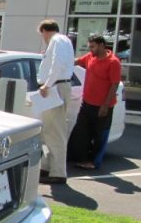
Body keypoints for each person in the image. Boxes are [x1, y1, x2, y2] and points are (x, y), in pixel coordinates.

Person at [67, 35, 121, 170]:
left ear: (102, 45)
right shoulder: (90, 57)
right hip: (87, 103)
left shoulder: (113, 62)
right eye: (90, 47)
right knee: (81, 132)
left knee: (99, 135)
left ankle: (94, 162)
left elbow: (114, 85)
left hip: (103, 106)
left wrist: (105, 105)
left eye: (93, 46)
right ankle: (82, 159)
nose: (91, 49)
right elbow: (76, 61)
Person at [36, 20, 74, 185]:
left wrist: (47, 85)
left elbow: (57, 64)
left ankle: (58, 173)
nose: (42, 38)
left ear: (44, 30)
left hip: (55, 87)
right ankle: (47, 167)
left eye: (41, 34)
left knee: (55, 131)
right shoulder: (63, 40)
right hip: (56, 86)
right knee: (47, 130)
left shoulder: (57, 41)